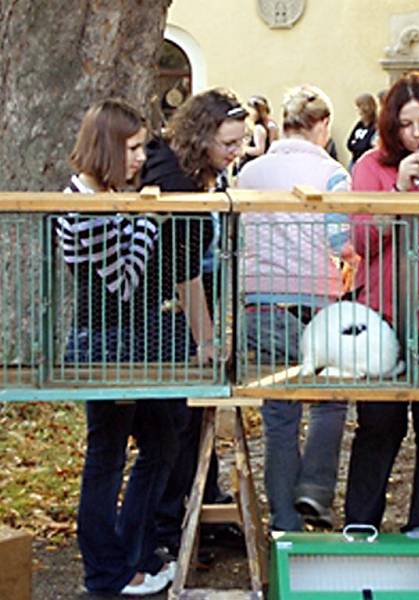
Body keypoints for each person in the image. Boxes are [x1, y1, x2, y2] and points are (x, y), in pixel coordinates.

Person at [58, 99, 181, 596]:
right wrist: (150, 219)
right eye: (132, 148)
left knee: (157, 439)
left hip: (116, 339)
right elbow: (125, 281)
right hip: (104, 343)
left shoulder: (98, 196)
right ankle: (109, 571)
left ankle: (127, 557)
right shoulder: (85, 203)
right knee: (110, 454)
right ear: (109, 146)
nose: (139, 158)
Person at [344, 71, 419, 539]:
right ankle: (361, 523)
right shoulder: (370, 167)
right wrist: (397, 196)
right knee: (378, 425)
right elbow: (362, 241)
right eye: (407, 125)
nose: (418, 134)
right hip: (385, 314)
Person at [237, 84, 352, 531]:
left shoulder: (250, 172)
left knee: (279, 415)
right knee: (330, 400)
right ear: (322, 125)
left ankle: (283, 516)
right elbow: (341, 240)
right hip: (317, 296)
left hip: (261, 297)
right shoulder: (332, 174)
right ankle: (315, 491)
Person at [140, 88, 247, 560]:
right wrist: (207, 339)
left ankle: (201, 509)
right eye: (228, 143)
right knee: (174, 426)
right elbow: (183, 270)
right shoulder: (175, 178)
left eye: (240, 142)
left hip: (179, 311)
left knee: (191, 422)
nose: (235, 152)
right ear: (201, 136)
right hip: (159, 316)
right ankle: (169, 526)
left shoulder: (196, 174)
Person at [236, 95, 279, 173]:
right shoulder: (270, 125)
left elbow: (260, 150)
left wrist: (244, 148)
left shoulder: (259, 128)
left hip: (253, 165)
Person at [346, 92, 378, 168]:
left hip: (368, 164)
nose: (357, 110)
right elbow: (349, 143)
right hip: (354, 161)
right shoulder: (359, 124)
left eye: (359, 107)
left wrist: (356, 144)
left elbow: (368, 146)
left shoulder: (375, 126)